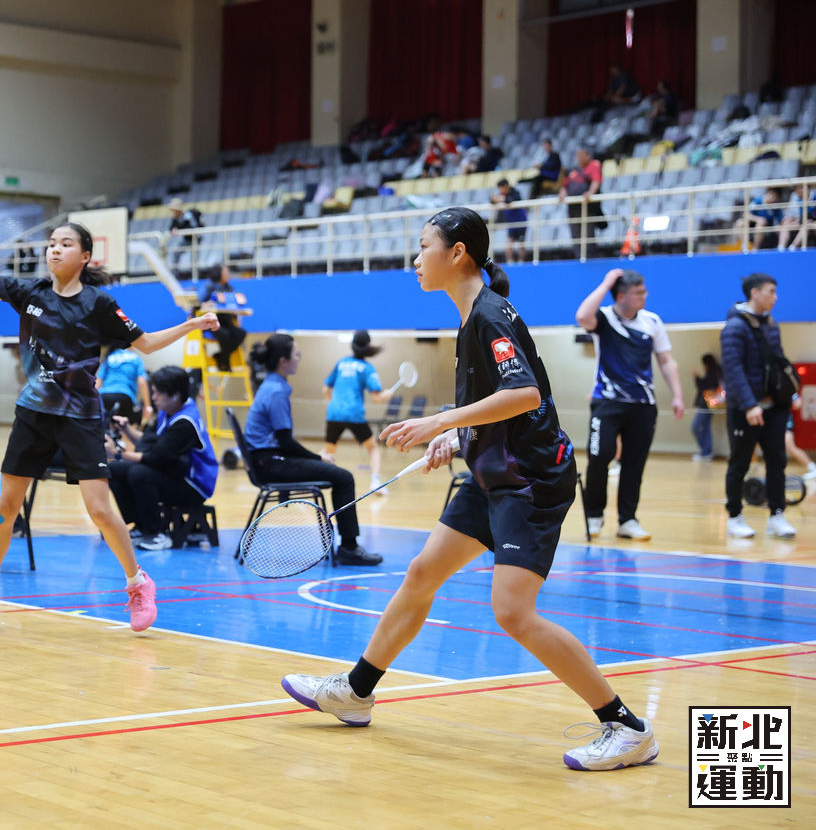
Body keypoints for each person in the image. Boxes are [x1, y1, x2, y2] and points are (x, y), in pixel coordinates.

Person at [281, 207, 658, 772]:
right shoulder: (471, 318)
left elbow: (526, 395)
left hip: (530, 483)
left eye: (423, 246)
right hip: (492, 475)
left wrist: (441, 420)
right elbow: (501, 409)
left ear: (457, 253)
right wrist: (458, 437)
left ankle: (627, 727)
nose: (415, 259)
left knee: (512, 611)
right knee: (421, 574)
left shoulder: (489, 315)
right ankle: (356, 692)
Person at [0, 222, 222, 634]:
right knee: (7, 507)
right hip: (33, 414)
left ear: (85, 257)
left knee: (99, 510)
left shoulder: (99, 304)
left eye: (66, 244)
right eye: (51, 244)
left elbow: (146, 342)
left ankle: (138, 584)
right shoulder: (30, 293)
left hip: (80, 417)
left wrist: (192, 325)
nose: (55, 250)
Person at [245, 333, 382, 566]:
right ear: (283, 361)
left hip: (267, 460)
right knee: (344, 478)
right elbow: (286, 443)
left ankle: (348, 546)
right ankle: (349, 548)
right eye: (296, 355)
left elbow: (284, 443)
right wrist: (318, 458)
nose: (299, 358)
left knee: (339, 475)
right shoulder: (276, 391)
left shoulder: (270, 385)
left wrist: (317, 458)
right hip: (270, 464)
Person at [576, 269, 684, 540]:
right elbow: (582, 316)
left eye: (643, 291)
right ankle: (594, 516)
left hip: (643, 404)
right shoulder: (604, 318)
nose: (644, 296)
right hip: (607, 402)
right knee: (599, 457)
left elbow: (666, 361)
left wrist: (678, 395)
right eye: (638, 292)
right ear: (621, 295)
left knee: (634, 464)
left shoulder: (652, 321)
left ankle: (628, 520)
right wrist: (606, 283)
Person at [721, 273, 799, 539]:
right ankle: (734, 516)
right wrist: (749, 404)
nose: (775, 297)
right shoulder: (735, 327)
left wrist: (790, 393)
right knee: (739, 463)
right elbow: (733, 370)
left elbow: (778, 361)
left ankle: (777, 515)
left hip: (775, 406)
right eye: (771, 291)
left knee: (777, 461)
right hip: (745, 409)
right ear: (755, 293)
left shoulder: (771, 324)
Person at [107, 365, 217, 550]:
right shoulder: (171, 410)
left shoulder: (185, 422)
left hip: (194, 486)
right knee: (115, 469)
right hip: (176, 471)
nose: (154, 397)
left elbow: (156, 458)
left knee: (139, 474)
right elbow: (151, 442)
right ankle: (140, 526)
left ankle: (156, 534)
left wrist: (117, 453)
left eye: (158, 393)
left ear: (174, 395)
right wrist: (126, 429)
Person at [323, 330, 392, 485]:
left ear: (352, 344)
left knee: (329, 451)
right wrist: (386, 395)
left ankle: (321, 479)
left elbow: (325, 390)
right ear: (368, 345)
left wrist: (335, 402)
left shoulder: (341, 363)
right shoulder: (367, 368)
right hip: (354, 414)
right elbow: (376, 398)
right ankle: (376, 482)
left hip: (334, 412)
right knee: (372, 448)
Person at [197, 264, 249, 372]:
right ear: (219, 273)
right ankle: (225, 362)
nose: (228, 274)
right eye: (226, 272)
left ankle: (221, 357)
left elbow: (234, 302)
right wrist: (205, 304)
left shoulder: (229, 288)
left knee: (240, 334)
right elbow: (197, 303)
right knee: (224, 335)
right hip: (211, 323)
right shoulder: (208, 286)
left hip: (226, 322)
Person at [558, 148, 605, 249]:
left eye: (582, 155)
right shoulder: (572, 170)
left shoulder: (594, 165)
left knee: (588, 235)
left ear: (588, 156)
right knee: (576, 235)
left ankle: (589, 256)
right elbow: (564, 186)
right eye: (578, 155)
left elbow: (596, 181)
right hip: (573, 207)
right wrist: (562, 194)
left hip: (587, 207)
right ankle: (578, 255)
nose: (579, 158)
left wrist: (590, 193)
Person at [96, 345, 150, 426]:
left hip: (104, 395)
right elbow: (142, 381)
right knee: (123, 427)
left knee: (102, 425)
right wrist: (147, 405)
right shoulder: (136, 358)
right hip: (125, 397)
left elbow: (98, 381)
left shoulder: (109, 356)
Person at [690, 354, 723, 462]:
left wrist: (697, 378)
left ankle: (706, 451)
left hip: (707, 405)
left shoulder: (713, 372)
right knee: (706, 428)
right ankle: (706, 452)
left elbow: (704, 386)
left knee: (696, 426)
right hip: (709, 404)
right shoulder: (716, 372)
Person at [491, 178, 527, 263]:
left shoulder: (515, 192)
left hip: (520, 222)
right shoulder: (501, 195)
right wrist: (494, 199)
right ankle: (509, 261)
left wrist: (503, 199)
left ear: (506, 186)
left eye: (501, 188)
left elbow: (512, 200)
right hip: (511, 223)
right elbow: (492, 201)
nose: (500, 191)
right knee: (509, 242)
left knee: (521, 243)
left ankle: (521, 261)